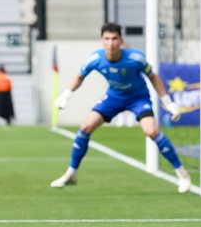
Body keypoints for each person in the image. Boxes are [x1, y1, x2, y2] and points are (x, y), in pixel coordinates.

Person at [50, 22, 191, 193]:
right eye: (107, 39)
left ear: (121, 40)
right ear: (102, 40)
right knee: (86, 127)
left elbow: (153, 77)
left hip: (138, 98)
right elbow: (80, 76)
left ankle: (182, 174)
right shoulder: (95, 59)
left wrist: (168, 102)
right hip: (114, 97)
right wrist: (66, 95)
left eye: (114, 38)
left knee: (151, 131)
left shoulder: (135, 58)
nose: (110, 43)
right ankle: (71, 173)